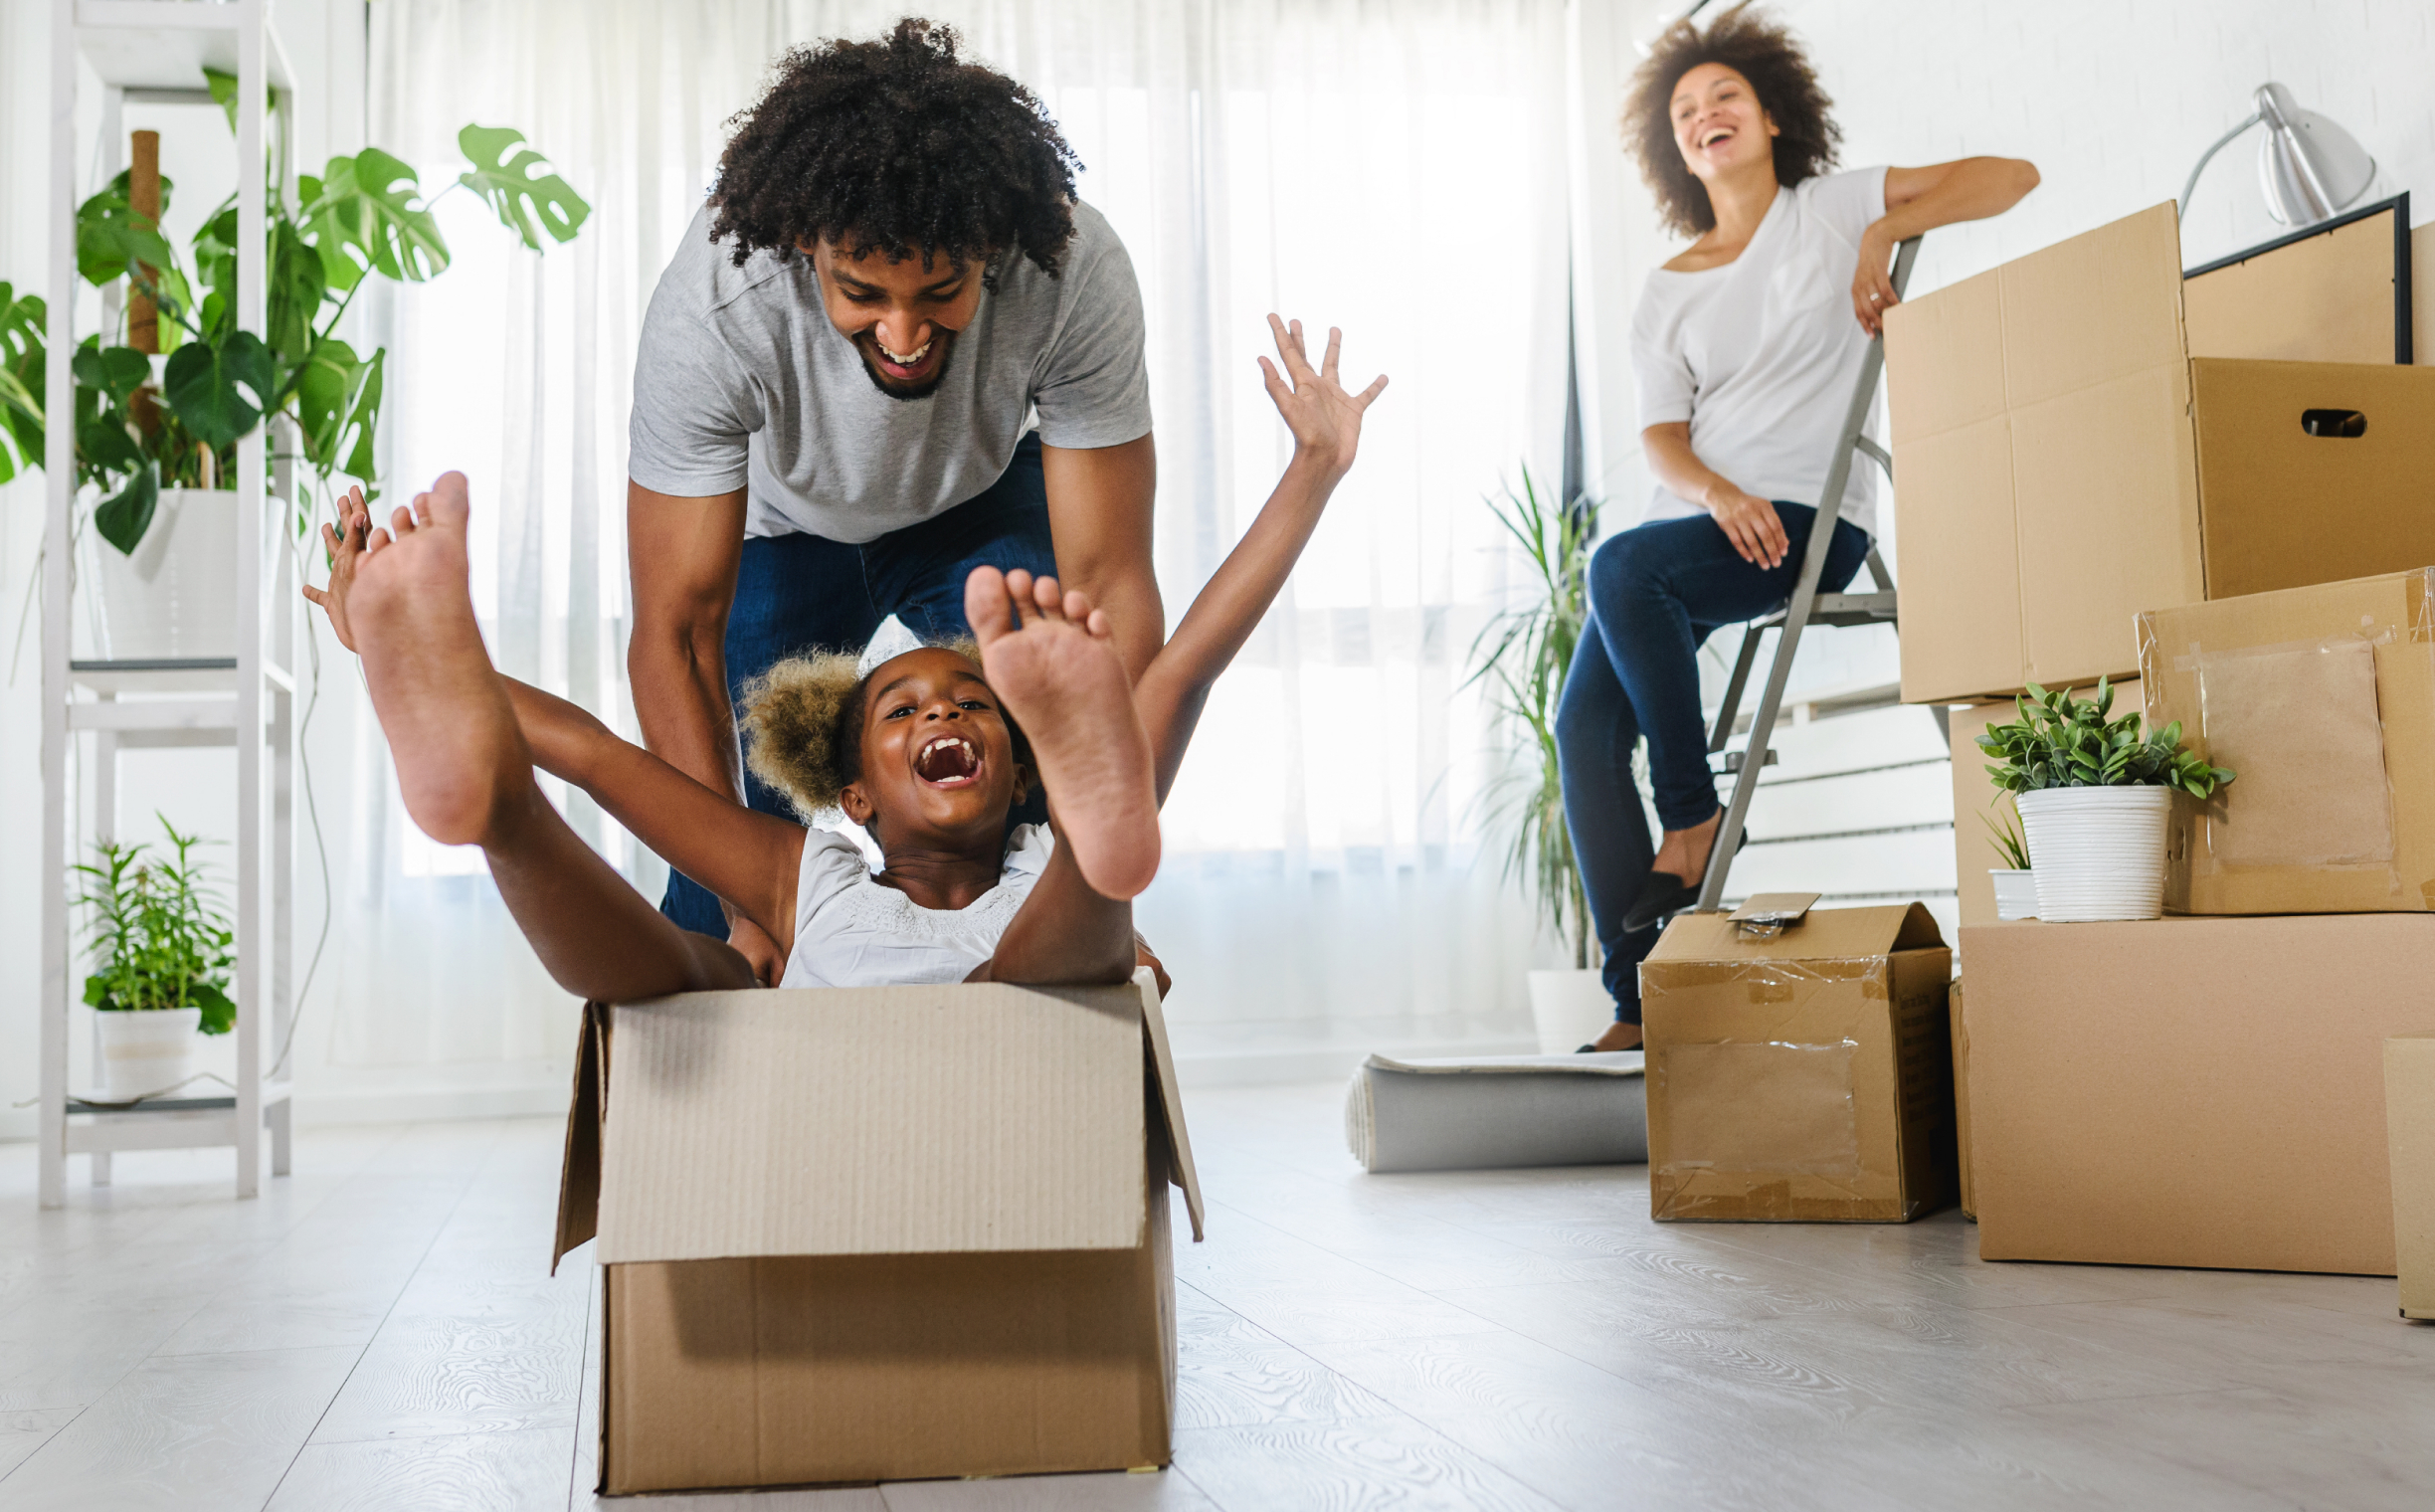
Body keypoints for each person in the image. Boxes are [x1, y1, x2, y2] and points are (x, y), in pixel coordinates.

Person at [301, 317, 1383, 1002]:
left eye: (973, 705)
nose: (942, 714)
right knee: (685, 974)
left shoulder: (1035, 858)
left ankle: (1111, 859)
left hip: (1033, 960)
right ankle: (497, 811)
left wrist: (1314, 470)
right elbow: (591, 753)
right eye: (902, 710)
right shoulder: (795, 870)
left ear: (1019, 767)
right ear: (854, 794)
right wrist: (412, 658)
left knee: (1051, 946)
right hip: (829, 1000)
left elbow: (1184, 663)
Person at [629, 19, 1165, 982]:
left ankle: (1061, 952)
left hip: (977, 494)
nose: (906, 332)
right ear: (803, 245)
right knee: (722, 863)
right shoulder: (718, 304)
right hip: (781, 527)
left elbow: (1110, 585)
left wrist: (1096, 907)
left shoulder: (1071, 269)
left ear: (992, 249)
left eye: (943, 289)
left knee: (1043, 726)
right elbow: (674, 633)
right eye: (862, 292)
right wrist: (742, 909)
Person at [1560, 6, 2037, 1051]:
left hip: (1807, 519)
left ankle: (1689, 817)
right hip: (1696, 531)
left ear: (1770, 116)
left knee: (1624, 569)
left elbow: (2014, 176)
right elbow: (1659, 441)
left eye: (1724, 95)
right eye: (1685, 109)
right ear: (1671, 146)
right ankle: (1638, 1005)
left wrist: (1883, 229)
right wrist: (1716, 492)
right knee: (1582, 730)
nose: (1705, 114)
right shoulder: (1666, 289)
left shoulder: (1827, 210)